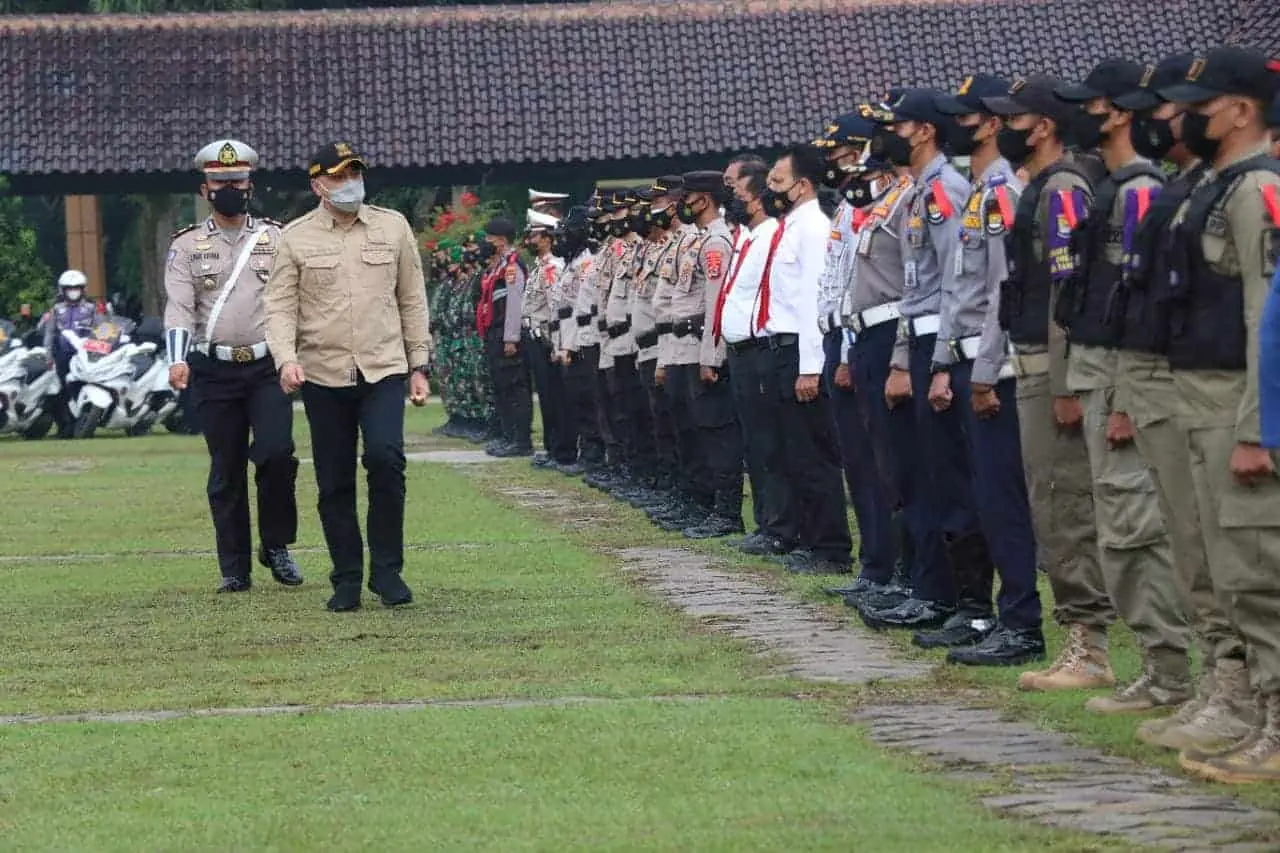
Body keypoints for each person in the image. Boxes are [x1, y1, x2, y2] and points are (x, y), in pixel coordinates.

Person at [1153, 47, 1280, 783]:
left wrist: (1258, 426)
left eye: (1202, 102)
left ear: (1241, 109)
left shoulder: (1256, 187)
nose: (1186, 115)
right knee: (1220, 567)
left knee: (1257, 566)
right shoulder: (1213, 183)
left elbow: (1268, 312)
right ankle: (1243, 701)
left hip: (1234, 397)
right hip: (1195, 393)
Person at [1053, 59, 1193, 713]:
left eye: (1096, 105)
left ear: (1122, 112)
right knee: (1118, 527)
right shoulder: (1110, 184)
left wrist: (1128, 400)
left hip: (1120, 377)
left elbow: (1139, 300)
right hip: (1097, 372)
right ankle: (1160, 668)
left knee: (1135, 527)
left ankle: (1171, 670)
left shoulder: (1138, 189)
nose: (1084, 116)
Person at [985, 75, 1120, 691]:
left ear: (1041, 125)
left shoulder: (1061, 188)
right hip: (1032, 367)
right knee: (1049, 503)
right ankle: (1081, 643)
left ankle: (1090, 650)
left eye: (1012, 118)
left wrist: (1067, 383)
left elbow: (1069, 290)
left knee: (1064, 504)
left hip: (1051, 371)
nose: (1001, 128)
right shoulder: (1037, 186)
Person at [264, 141, 431, 613]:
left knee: (385, 459)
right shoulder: (295, 238)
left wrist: (419, 364)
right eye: (339, 176)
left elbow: (412, 299)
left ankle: (387, 571)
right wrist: (285, 359)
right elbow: (279, 307)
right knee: (334, 480)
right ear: (318, 185)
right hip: (322, 372)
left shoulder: (392, 227)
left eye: (354, 172)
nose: (350, 182)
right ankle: (348, 577)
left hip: (383, 368)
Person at [928, 75, 1046, 665]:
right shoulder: (978, 189)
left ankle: (1022, 622)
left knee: (1003, 499)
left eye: (966, 117)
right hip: (971, 358)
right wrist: (945, 360)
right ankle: (1005, 614)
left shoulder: (1000, 191)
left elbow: (1006, 289)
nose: (956, 126)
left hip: (994, 367)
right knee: (984, 495)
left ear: (992, 123)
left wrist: (983, 368)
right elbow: (958, 289)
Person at [163, 139, 302, 593]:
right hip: (213, 369)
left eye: (237, 181)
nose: (229, 189)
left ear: (250, 185)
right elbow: (180, 306)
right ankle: (234, 567)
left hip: (266, 366)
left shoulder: (276, 238)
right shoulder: (186, 245)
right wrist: (177, 358)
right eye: (220, 182)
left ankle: (276, 545)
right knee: (225, 468)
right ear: (206, 188)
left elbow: (293, 300)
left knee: (277, 454)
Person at [871, 89, 986, 626]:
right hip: (917, 341)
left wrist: (939, 363)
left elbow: (956, 285)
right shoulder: (920, 191)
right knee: (920, 474)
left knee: (949, 478)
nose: (886, 136)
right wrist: (901, 356)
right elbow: (914, 291)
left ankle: (966, 603)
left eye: (895, 125)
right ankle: (933, 590)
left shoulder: (946, 190)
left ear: (923, 131)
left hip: (943, 343)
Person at [756, 144, 853, 574]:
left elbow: (818, 297)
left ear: (802, 185)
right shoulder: (788, 227)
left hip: (801, 349)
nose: (769, 189)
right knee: (794, 452)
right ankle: (810, 540)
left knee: (814, 455)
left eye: (777, 182)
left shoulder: (813, 227)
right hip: (780, 347)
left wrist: (810, 367)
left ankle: (830, 547)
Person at [476, 217, 534, 457]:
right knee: (501, 388)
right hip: (494, 333)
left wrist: (511, 338)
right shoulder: (498, 266)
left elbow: (514, 303)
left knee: (515, 388)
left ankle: (521, 440)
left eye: (489, 238)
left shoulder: (512, 265)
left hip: (507, 335)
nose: (485, 243)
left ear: (501, 240)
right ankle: (507, 435)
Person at [522, 209, 573, 468]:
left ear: (547, 238)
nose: (529, 240)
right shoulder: (539, 267)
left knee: (556, 397)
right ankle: (552, 446)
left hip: (547, 339)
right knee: (545, 395)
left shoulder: (552, 267)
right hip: (536, 337)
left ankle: (561, 449)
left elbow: (555, 306)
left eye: (534, 235)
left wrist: (557, 343)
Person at [44, 268, 105, 438]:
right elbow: (50, 334)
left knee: (80, 388)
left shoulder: (91, 309)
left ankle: (85, 424)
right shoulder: (56, 310)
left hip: (85, 357)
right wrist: (48, 356)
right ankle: (65, 427)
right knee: (60, 392)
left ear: (83, 289)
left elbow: (103, 330)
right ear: (62, 290)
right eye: (69, 288)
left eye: (77, 288)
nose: (73, 292)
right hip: (62, 357)